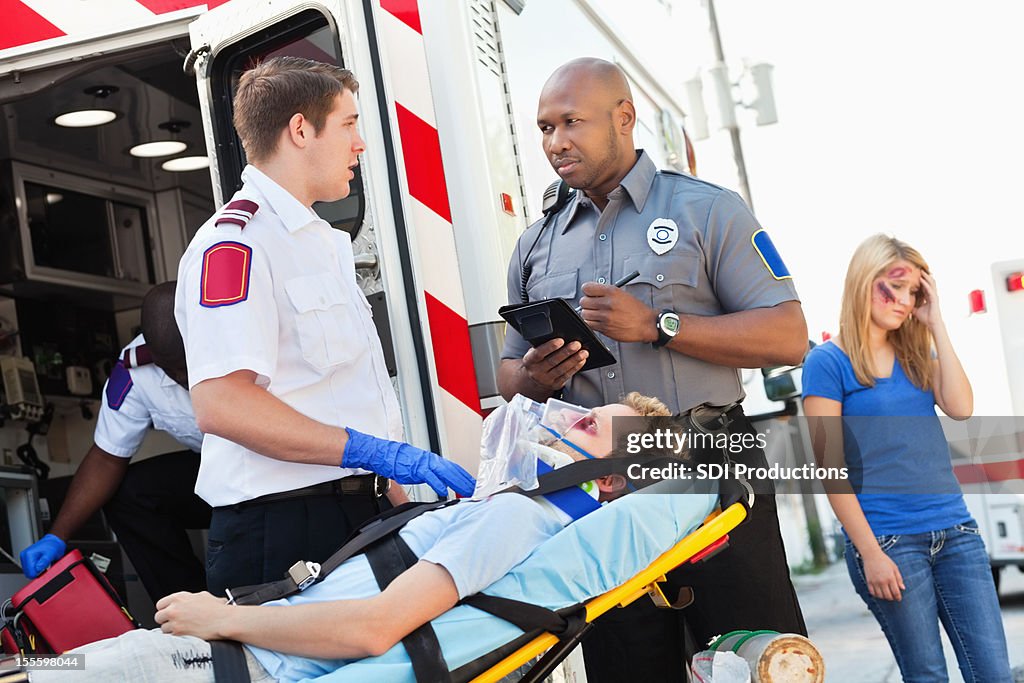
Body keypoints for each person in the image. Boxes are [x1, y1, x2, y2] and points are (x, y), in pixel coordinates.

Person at [498, 57, 808, 680]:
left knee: (757, 663)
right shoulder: (536, 244)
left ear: (624, 118)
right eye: (543, 128)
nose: (555, 142)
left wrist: (660, 327)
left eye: (571, 123)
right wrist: (540, 375)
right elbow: (507, 377)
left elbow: (789, 335)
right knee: (629, 670)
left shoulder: (707, 210)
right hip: (600, 488)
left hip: (712, 465)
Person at [33, 393, 674, 683]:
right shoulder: (522, 517)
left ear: (610, 484)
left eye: (586, 425)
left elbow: (373, 628)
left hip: (243, 663)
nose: (559, 421)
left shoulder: (517, 518)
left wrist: (221, 618)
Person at [174, 56, 474, 596]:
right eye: (349, 124)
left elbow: (338, 395)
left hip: (354, 510)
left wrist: (390, 493)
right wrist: (375, 452)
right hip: (282, 528)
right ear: (299, 130)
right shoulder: (235, 245)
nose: (360, 143)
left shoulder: (318, 242)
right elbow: (221, 403)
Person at [802, 234, 1012, 683]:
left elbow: (960, 407)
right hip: (891, 543)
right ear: (864, 281)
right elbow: (828, 469)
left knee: (993, 674)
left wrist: (936, 323)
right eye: (893, 287)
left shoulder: (917, 352)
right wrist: (871, 553)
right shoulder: (827, 362)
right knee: (928, 676)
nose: (903, 301)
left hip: (956, 533)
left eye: (913, 291)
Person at [19, 281, 211, 601]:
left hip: (284, 472)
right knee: (129, 492)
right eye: (171, 369)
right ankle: (187, 607)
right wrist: (57, 537)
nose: (183, 378)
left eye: (187, 365)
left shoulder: (250, 340)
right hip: (215, 472)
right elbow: (108, 457)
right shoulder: (134, 368)